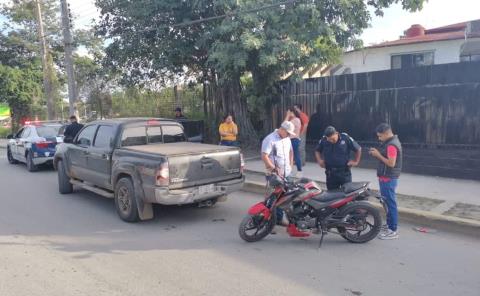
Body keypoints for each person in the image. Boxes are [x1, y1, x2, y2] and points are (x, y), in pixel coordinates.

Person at [261, 121, 308, 237]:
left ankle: (279, 219)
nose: (288, 135)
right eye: (287, 133)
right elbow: (264, 155)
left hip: (286, 173)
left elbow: (291, 151)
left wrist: (291, 165)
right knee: (271, 199)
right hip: (274, 174)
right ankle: (267, 223)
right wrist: (273, 168)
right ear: (282, 129)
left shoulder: (287, 138)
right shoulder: (270, 139)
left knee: (284, 198)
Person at [369, 123, 402, 240]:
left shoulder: (391, 145)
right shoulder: (389, 142)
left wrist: (378, 155)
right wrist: (378, 153)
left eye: (380, 136)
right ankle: (389, 225)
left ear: (387, 133)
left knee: (390, 204)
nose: (379, 138)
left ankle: (393, 230)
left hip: (389, 178)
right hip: (385, 178)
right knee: (386, 203)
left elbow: (391, 163)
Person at [315, 126, 362, 190]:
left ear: (336, 133)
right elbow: (317, 150)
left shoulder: (345, 138)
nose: (331, 141)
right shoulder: (324, 140)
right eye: (329, 139)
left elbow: (358, 149)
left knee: (346, 193)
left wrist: (356, 161)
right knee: (332, 195)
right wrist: (319, 160)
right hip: (330, 173)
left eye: (333, 138)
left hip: (344, 172)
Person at [284, 107, 303, 178]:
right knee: (292, 155)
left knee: (294, 155)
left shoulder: (295, 120)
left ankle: (299, 171)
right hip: (293, 140)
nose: (287, 113)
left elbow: (284, 125)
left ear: (292, 112)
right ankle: (293, 171)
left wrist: (287, 116)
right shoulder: (295, 120)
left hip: (293, 139)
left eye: (289, 112)